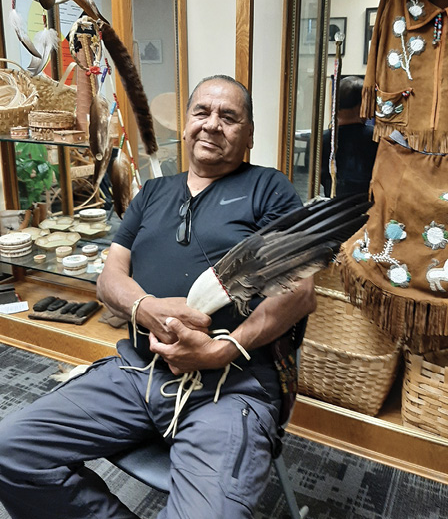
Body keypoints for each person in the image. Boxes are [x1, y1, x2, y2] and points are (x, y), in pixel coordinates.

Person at [0, 75, 316, 519]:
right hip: (136, 372)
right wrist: (143, 308)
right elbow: (110, 276)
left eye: (229, 117)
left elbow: (300, 292)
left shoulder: (269, 189)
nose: (211, 124)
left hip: (230, 389)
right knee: (10, 451)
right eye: (201, 112)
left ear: (249, 134)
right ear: (185, 125)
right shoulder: (153, 193)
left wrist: (221, 350)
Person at [321, 75, 378, 198]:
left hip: (330, 210)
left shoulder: (320, 140)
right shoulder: (377, 139)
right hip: (369, 210)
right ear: (362, 105)